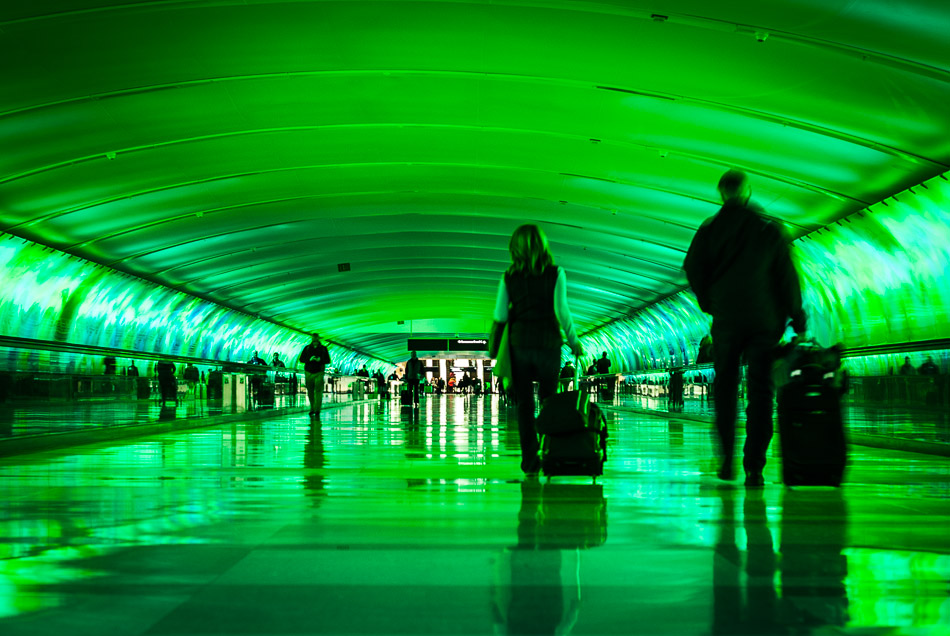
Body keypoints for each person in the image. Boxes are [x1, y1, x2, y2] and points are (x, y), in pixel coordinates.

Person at [684, 169, 806, 488]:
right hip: (765, 322)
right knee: (761, 391)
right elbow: (787, 275)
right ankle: (754, 465)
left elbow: (692, 268)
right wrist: (797, 316)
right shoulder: (770, 227)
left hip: (727, 321)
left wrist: (710, 302)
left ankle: (726, 457)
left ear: (721, 194)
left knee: (725, 389)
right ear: (747, 192)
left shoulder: (710, 229)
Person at [489, 224, 584, 474]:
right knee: (549, 401)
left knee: (525, 405)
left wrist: (493, 347)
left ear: (515, 248)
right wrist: (574, 342)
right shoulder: (556, 273)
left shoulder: (509, 276)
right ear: (543, 245)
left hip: (520, 344)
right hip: (549, 344)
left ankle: (529, 460)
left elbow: (499, 316)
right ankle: (551, 452)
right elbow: (562, 311)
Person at [298, 333, 331, 418]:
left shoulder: (323, 349)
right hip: (308, 372)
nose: (315, 341)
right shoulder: (307, 348)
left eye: (316, 339)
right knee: (310, 391)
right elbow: (301, 359)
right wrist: (309, 359)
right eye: (314, 339)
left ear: (318, 339)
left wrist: (320, 359)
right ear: (312, 339)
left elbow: (328, 360)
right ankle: (312, 407)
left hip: (319, 372)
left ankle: (317, 409)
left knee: (318, 391)